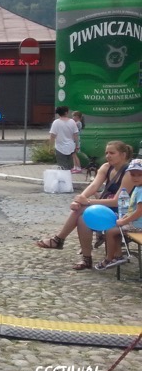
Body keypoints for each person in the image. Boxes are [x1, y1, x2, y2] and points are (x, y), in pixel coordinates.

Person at [34, 140, 133, 270]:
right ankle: (86, 258)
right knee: (82, 218)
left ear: (123, 155)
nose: (108, 156)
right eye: (106, 153)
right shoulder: (106, 167)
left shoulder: (129, 173)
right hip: (106, 209)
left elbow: (116, 201)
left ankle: (59, 239)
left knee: (82, 209)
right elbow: (93, 186)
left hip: (123, 213)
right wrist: (80, 200)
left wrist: (87, 202)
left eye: (112, 153)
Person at [97, 158, 142, 270]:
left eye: (139, 175)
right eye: (132, 174)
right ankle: (118, 255)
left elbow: (139, 211)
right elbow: (133, 209)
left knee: (110, 231)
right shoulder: (138, 188)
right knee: (114, 227)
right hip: (136, 222)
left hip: (139, 225)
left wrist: (124, 221)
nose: (135, 178)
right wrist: (125, 218)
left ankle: (109, 258)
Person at [48, 106, 80, 171]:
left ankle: (63, 176)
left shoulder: (56, 122)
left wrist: (50, 147)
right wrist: (77, 145)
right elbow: (75, 135)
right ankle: (68, 176)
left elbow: (52, 136)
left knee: (62, 167)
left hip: (59, 148)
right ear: (66, 113)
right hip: (70, 147)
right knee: (69, 167)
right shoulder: (72, 122)